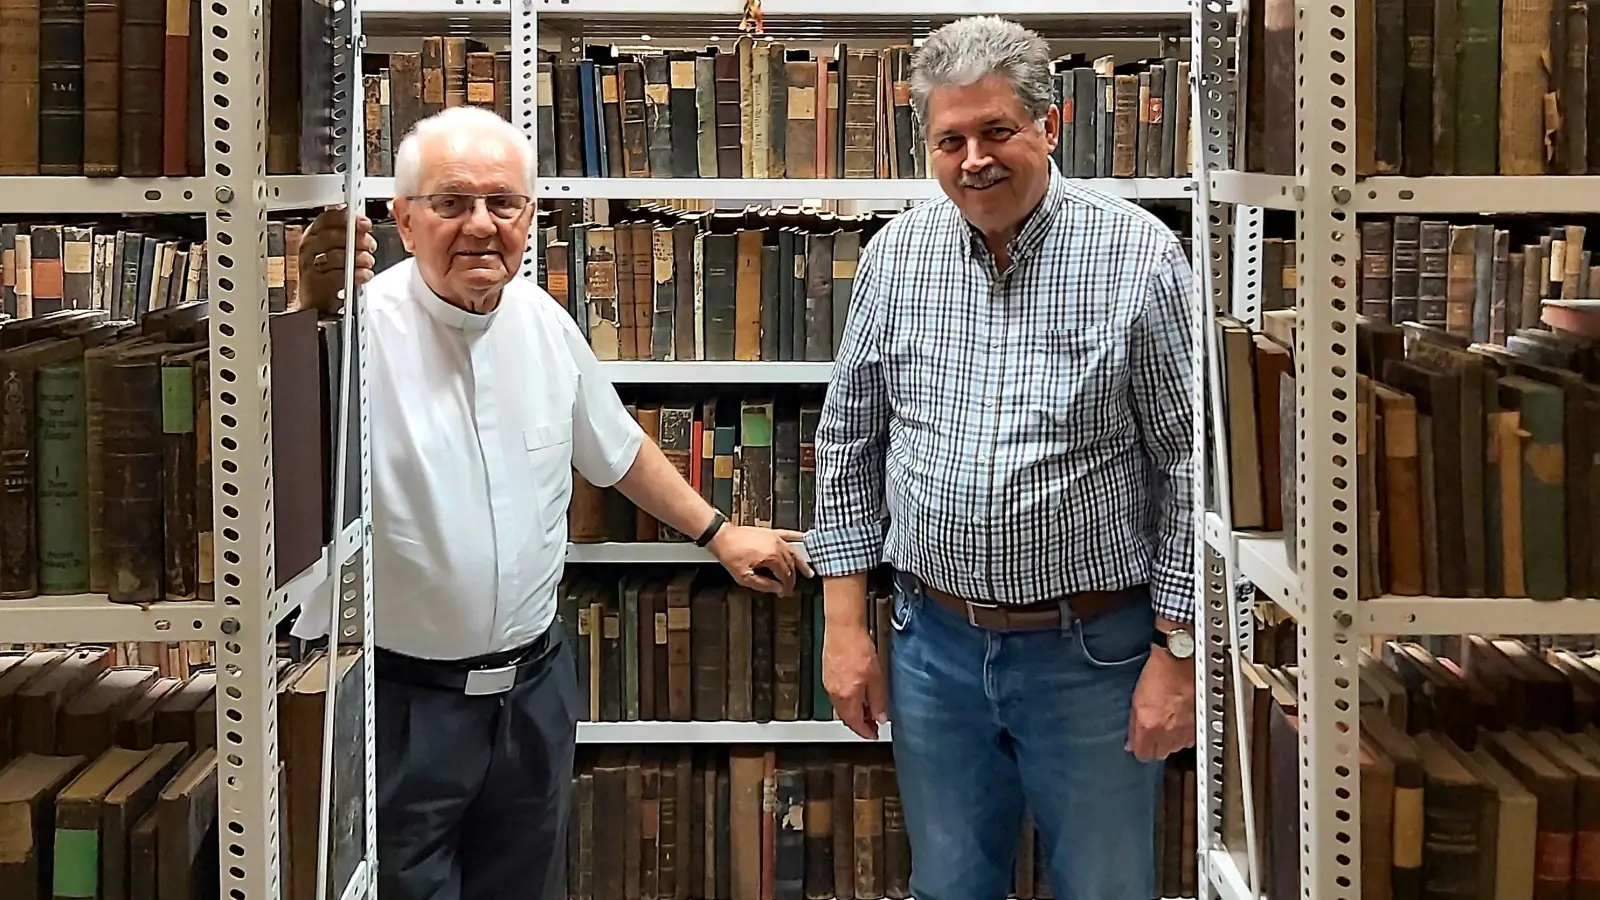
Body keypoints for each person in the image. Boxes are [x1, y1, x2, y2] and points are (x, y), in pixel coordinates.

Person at [288, 105, 813, 900]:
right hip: (398, 706)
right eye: (451, 202)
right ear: (404, 217)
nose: (481, 225)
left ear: (529, 217)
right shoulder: (350, 334)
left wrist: (718, 532)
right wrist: (307, 318)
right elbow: (277, 459)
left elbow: (617, 448)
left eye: (503, 203)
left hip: (533, 697)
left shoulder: (543, 322)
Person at [805, 16, 1197, 900]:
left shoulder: (1140, 255)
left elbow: (1188, 466)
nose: (974, 159)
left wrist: (1177, 653)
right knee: (947, 885)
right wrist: (844, 628)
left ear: (1049, 127)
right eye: (951, 140)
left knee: (1105, 888)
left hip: (1094, 654)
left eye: (997, 131)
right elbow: (848, 442)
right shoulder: (895, 257)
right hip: (932, 647)